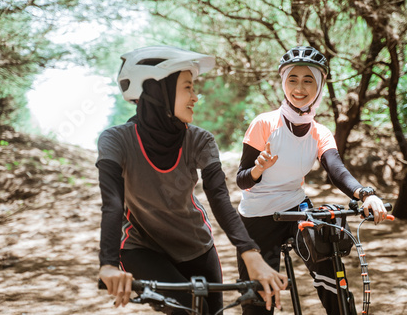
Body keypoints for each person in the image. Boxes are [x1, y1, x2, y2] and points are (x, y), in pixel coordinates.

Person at [97, 45, 288, 314]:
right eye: (188, 87)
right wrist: (107, 264)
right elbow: (113, 203)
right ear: (156, 90)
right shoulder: (116, 140)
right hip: (142, 247)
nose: (196, 97)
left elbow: (219, 198)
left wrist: (251, 254)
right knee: (187, 312)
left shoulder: (200, 139)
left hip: (197, 248)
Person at [236, 46, 388, 315]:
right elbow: (242, 181)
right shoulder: (265, 124)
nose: (300, 87)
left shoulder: (320, 132)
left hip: (296, 208)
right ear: (284, 83)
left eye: (308, 80)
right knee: (259, 301)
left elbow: (337, 170)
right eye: (292, 79)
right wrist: (258, 169)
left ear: (319, 85)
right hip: (257, 216)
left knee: (331, 271)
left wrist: (365, 195)